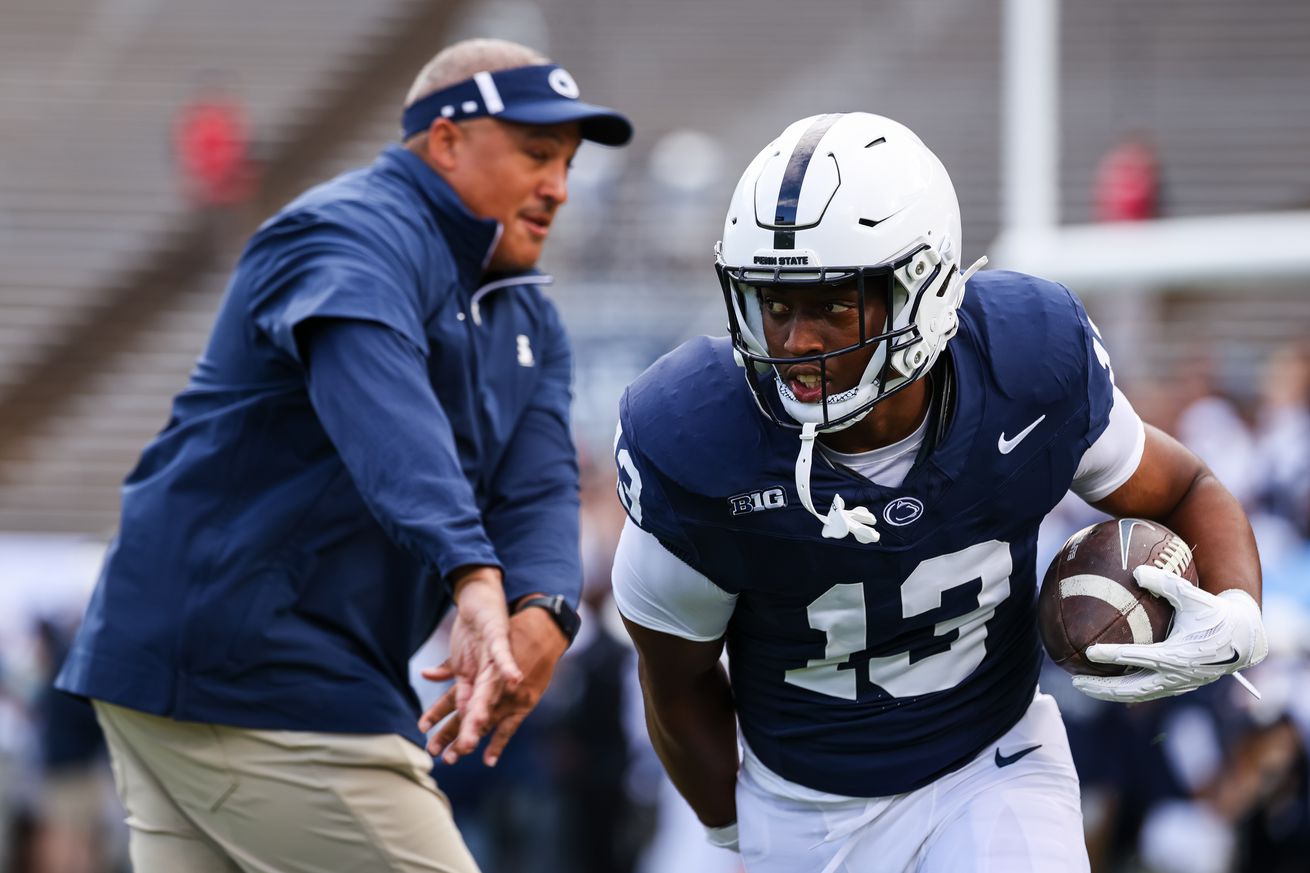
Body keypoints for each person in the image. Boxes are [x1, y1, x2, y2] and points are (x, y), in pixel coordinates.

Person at [610, 112, 1267, 872]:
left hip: (992, 765)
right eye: (776, 302)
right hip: (801, 807)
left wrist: (1240, 613)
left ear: (920, 287)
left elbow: (1187, 485)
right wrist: (736, 832)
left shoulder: (1025, 362)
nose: (795, 342)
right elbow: (676, 679)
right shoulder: (697, 438)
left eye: (832, 303)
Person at [55, 37, 632, 873]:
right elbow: (385, 411)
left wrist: (541, 609)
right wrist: (474, 574)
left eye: (569, 163)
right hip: (253, 663)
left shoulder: (526, 316)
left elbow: (539, 482)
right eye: (538, 154)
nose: (559, 187)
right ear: (446, 141)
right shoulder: (344, 230)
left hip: (207, 662)